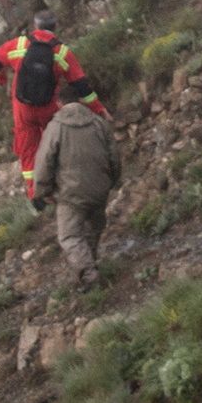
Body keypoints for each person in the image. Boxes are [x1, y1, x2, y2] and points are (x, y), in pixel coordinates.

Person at [0, 11, 108, 197]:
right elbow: (82, 86)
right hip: (48, 107)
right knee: (55, 143)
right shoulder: (61, 52)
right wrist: (99, 110)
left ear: (35, 26)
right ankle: (63, 182)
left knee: (28, 150)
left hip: (23, 108)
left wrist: (0, 78)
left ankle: (34, 193)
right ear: (55, 27)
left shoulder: (19, 44)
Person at [33, 80, 121, 286]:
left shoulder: (56, 127)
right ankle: (90, 267)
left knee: (69, 236)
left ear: (59, 103)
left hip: (70, 194)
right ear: (80, 101)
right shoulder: (98, 123)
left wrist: (41, 191)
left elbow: (44, 161)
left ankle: (90, 278)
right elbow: (114, 157)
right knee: (92, 229)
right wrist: (111, 181)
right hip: (99, 189)